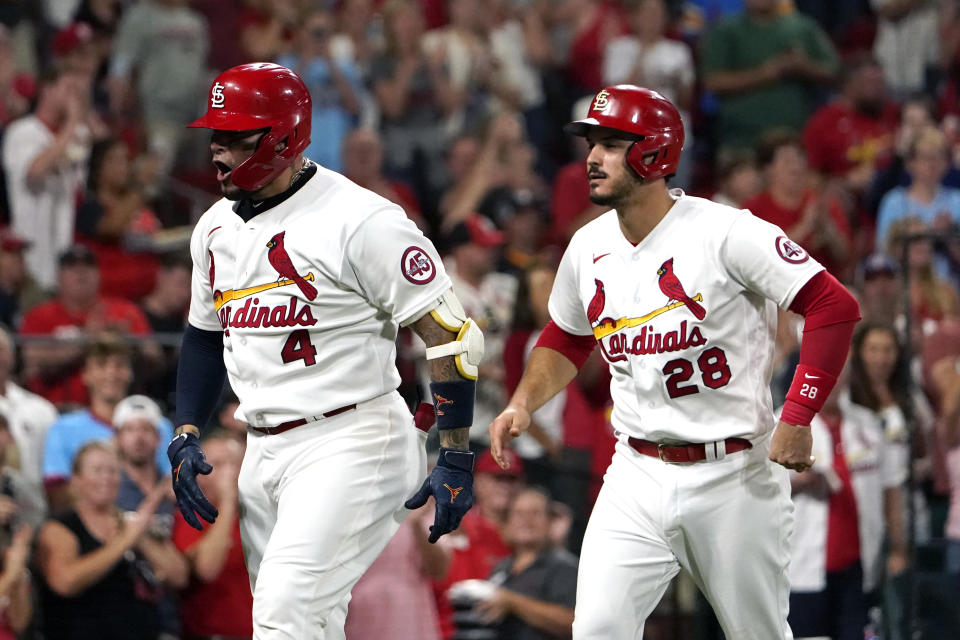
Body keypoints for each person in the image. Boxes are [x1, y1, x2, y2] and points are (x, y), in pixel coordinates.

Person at [489, 85, 861, 639]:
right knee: (596, 629)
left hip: (734, 471)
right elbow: (568, 336)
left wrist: (798, 415)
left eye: (611, 144)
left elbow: (834, 304)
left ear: (655, 154)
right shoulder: (587, 247)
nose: (592, 158)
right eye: (592, 144)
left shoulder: (726, 231)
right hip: (636, 469)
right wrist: (523, 401)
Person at [171, 63, 482, 640]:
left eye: (234, 138)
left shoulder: (361, 220)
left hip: (353, 436)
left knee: (286, 615)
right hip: (262, 449)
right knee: (302, 623)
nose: (216, 150)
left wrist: (456, 452)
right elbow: (203, 335)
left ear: (283, 137)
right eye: (214, 135)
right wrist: (185, 428)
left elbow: (452, 337)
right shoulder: (213, 227)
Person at [34, 441, 188, 640]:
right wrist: (124, 542)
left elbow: (178, 576)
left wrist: (139, 537)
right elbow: (65, 582)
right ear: (76, 480)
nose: (106, 478)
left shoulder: (130, 523)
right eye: (97, 470)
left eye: (113, 471)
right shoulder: (60, 527)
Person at [42, 336, 174, 513]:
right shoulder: (63, 428)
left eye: (119, 365)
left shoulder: (159, 426)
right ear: (85, 374)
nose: (111, 373)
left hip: (151, 520)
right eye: (101, 365)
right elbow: (56, 493)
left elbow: (172, 484)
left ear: (130, 373)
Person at [18, 245, 154, 408]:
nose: (80, 272)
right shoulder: (40, 315)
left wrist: (126, 342)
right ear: (58, 277)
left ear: (99, 275)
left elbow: (154, 356)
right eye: (71, 267)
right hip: (52, 408)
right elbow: (32, 362)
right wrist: (88, 339)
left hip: (120, 410)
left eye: (88, 266)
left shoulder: (125, 311)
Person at [700, 0, 840, 153]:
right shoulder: (726, 30)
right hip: (741, 142)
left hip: (794, 140)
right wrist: (766, 73)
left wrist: (805, 66)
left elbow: (836, 72)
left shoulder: (803, 27)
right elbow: (713, 81)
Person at [172, 432, 254, 640]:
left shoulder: (255, 513)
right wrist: (227, 502)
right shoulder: (189, 515)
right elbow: (206, 569)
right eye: (218, 464)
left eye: (233, 463)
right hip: (211, 633)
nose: (229, 472)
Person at [475, 487, 578, 640]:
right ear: (507, 524)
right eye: (518, 514)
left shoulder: (565, 567)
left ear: (550, 522)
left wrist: (513, 602)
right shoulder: (501, 567)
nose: (526, 520)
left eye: (535, 513)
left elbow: (573, 622)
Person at [0, 326, 58, 494]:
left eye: (0, 350)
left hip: (34, 506)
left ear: (11, 356)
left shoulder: (41, 410)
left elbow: (52, 469)